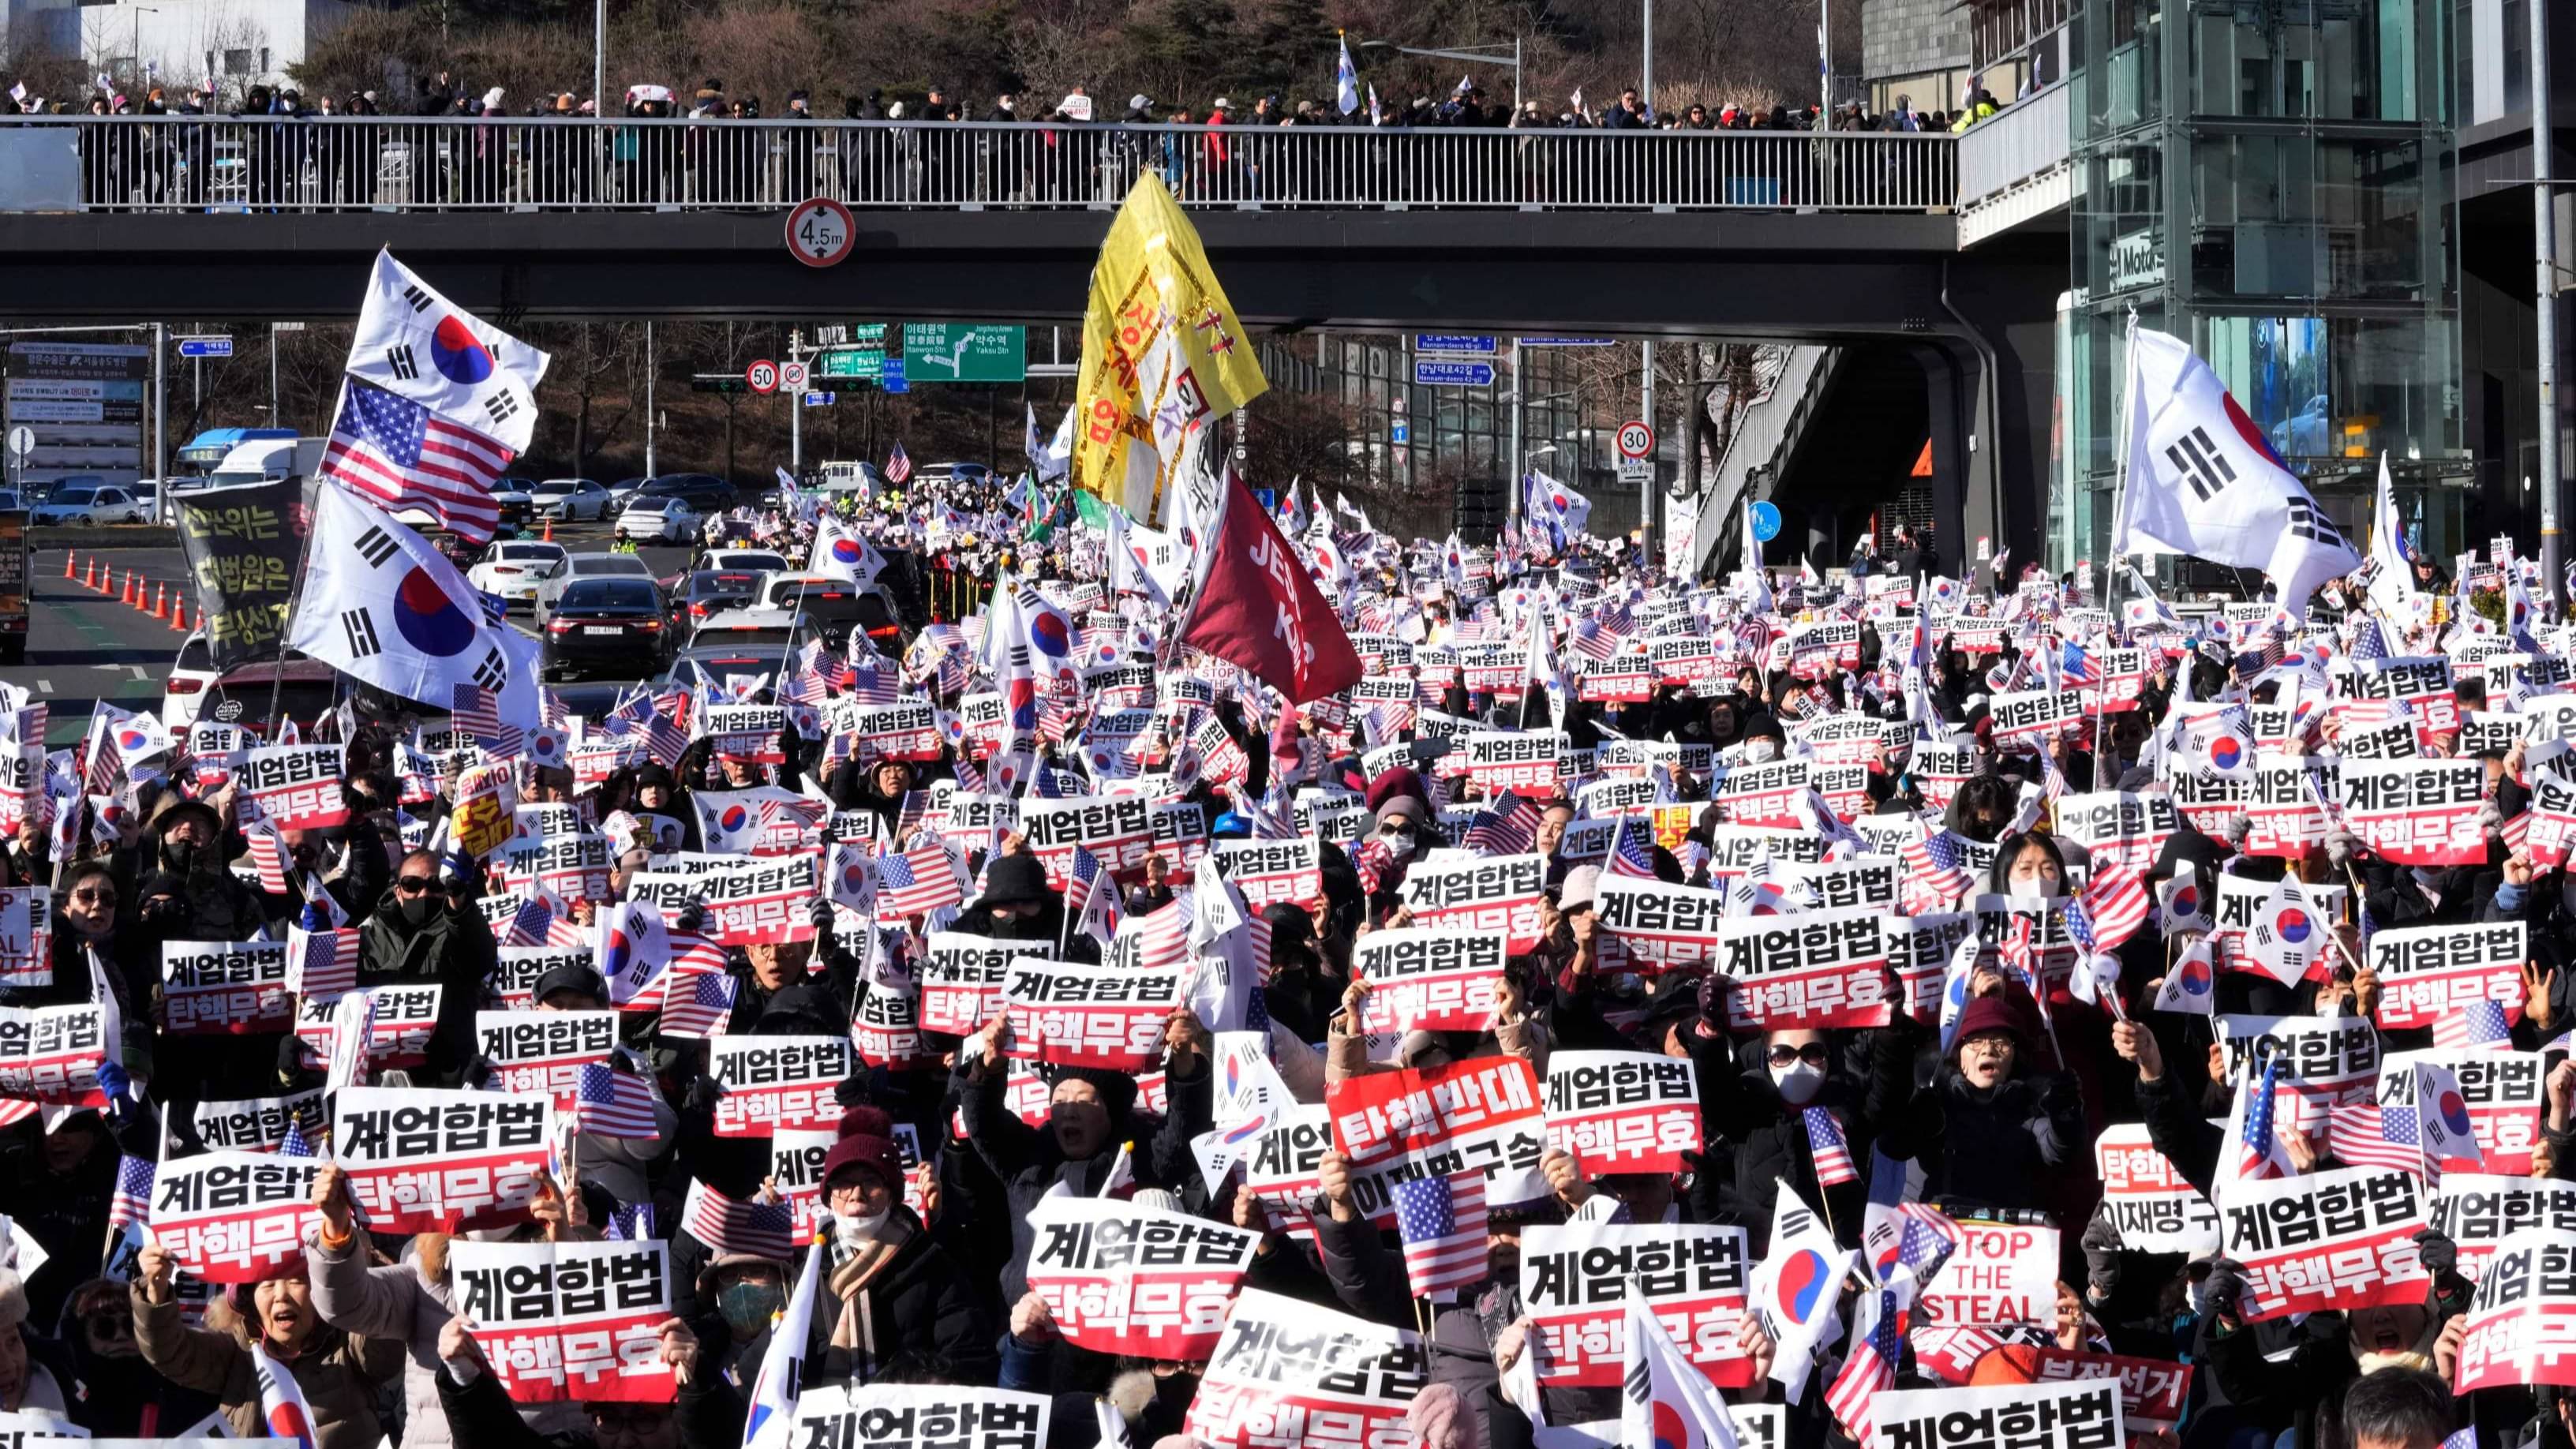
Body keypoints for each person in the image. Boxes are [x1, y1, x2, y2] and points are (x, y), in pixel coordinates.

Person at [133, 1239, 402, 1449]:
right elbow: (172, 1352)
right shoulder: (238, 1350)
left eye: (297, 1281)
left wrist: (360, 1270)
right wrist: (156, 1291)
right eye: (267, 1285)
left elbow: (384, 1350)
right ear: (250, 1300)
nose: (281, 1295)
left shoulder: (346, 1338)